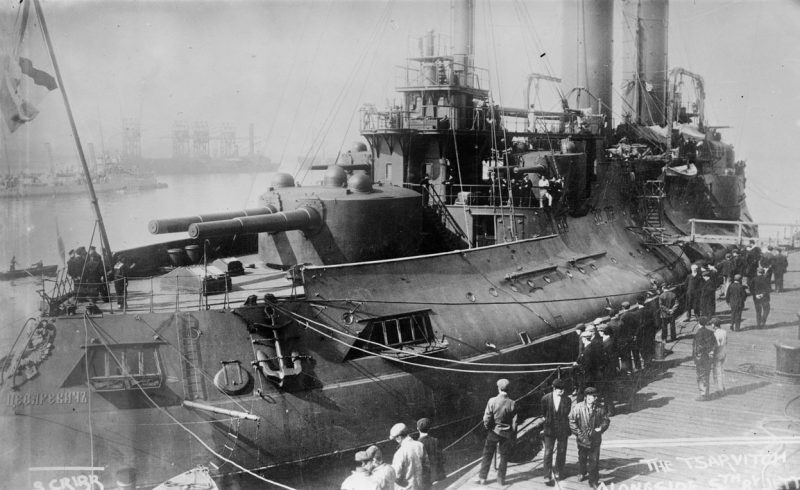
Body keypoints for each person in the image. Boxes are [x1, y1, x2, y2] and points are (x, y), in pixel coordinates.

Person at [568, 387, 610, 489]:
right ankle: (582, 471)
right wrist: (579, 434)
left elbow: (606, 420)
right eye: (591, 396)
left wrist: (601, 428)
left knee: (594, 461)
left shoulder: (600, 408)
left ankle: (593, 481)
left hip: (595, 439)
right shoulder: (578, 407)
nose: (593, 398)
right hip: (582, 439)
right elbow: (572, 421)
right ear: (586, 397)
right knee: (582, 457)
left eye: (595, 396)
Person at [477, 378, 517, 486]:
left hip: (494, 431)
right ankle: (501, 479)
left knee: (487, 454)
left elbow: (486, 418)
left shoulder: (492, 400)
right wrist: (512, 433)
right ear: (509, 389)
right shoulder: (512, 403)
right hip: (507, 433)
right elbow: (515, 421)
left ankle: (483, 478)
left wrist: (488, 427)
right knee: (504, 457)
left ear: (498, 388)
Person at [540, 378, 572, 485]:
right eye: (559, 389)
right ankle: (546, 475)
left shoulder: (567, 400)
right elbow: (543, 413)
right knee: (548, 452)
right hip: (549, 429)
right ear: (553, 388)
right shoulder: (545, 399)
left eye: (563, 389)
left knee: (562, 450)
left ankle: (559, 471)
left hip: (562, 429)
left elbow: (566, 413)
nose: (561, 391)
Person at [389, 423, 427, 490]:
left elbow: (396, 476)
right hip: (420, 486)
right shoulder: (420, 445)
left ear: (399, 437)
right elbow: (426, 466)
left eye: (395, 438)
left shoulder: (399, 453)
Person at [692, 317, 717, 401]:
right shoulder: (711, 332)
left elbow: (698, 347)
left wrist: (696, 358)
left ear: (699, 323)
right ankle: (706, 393)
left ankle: (703, 395)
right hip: (709, 357)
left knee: (701, 375)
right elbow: (715, 345)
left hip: (701, 357)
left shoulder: (698, 333)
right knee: (707, 374)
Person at [416, 418, 444, 489]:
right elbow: (441, 459)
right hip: (434, 474)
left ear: (417, 428)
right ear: (429, 428)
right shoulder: (435, 440)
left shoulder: (417, 444)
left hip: (424, 478)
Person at [711, 317, 728, 396]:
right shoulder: (724, 332)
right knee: (721, 370)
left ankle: (720, 390)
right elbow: (726, 341)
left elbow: (715, 345)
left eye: (712, 323)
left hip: (717, 354)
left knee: (717, 372)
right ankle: (723, 387)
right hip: (723, 353)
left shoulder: (715, 334)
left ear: (714, 325)